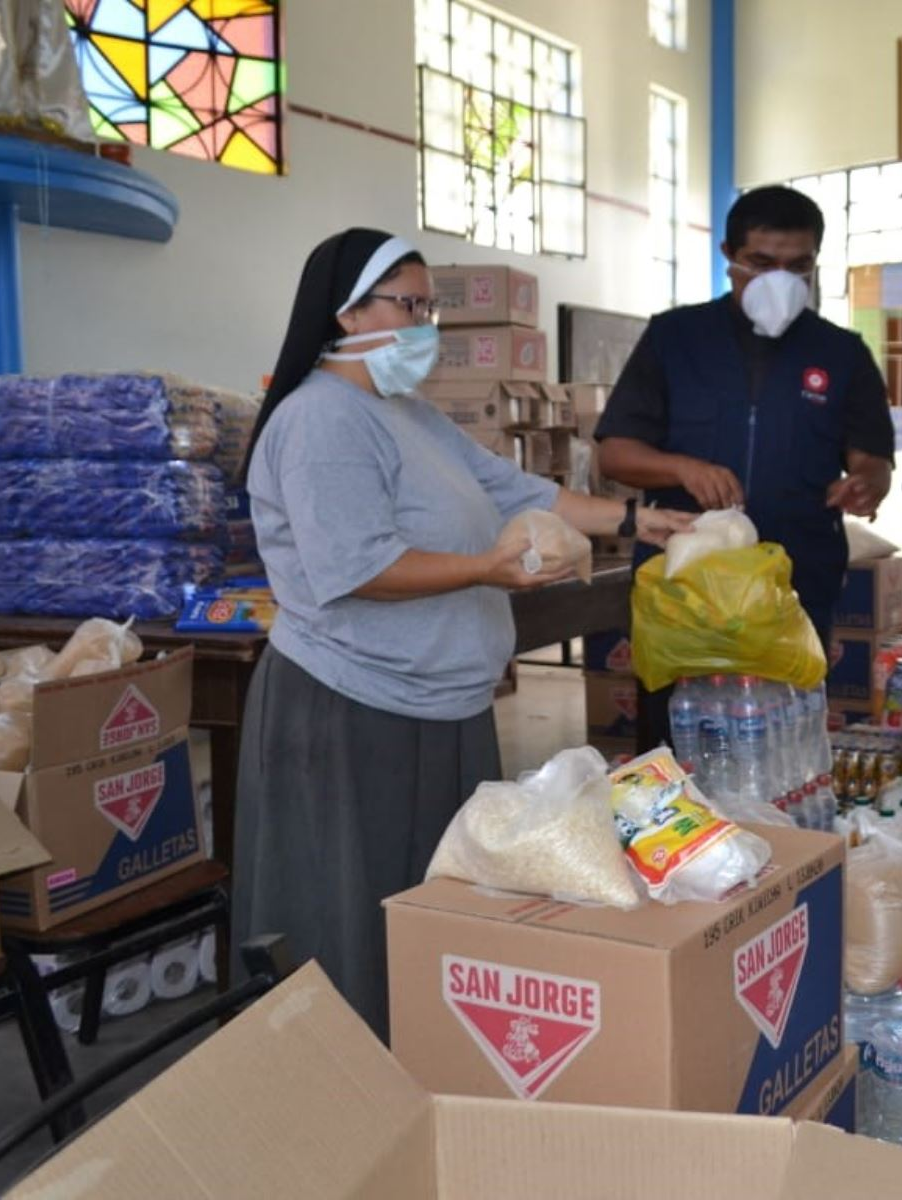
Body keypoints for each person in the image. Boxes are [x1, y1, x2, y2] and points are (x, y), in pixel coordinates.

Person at [234, 228, 689, 1036]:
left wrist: (641, 521)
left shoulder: (406, 413)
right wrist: (487, 569)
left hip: (440, 700)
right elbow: (358, 568)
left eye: (428, 307)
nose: (424, 326)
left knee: (433, 903)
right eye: (408, 305)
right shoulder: (320, 422)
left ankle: (431, 1048)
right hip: (354, 704)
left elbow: (519, 492)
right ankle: (349, 1070)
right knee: (353, 910)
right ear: (345, 314)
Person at [596, 186, 896, 749]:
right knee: (675, 747)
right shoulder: (675, 338)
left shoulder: (841, 353)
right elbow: (615, 452)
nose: (779, 280)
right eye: (761, 263)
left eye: (797, 266)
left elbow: (872, 457)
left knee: (782, 755)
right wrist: (682, 469)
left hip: (794, 586)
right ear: (729, 256)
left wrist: (865, 484)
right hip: (685, 586)